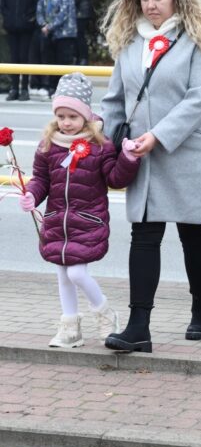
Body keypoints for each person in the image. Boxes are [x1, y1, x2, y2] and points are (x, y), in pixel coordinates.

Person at [100, 0, 201, 353]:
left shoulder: (200, 36)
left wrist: (159, 135)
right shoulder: (129, 39)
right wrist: (109, 140)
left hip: (188, 149)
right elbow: (116, 98)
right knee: (144, 235)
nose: (151, 5)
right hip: (143, 156)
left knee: (193, 233)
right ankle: (139, 325)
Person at [19, 73, 140, 348]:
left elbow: (114, 178)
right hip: (56, 221)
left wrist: (128, 158)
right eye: (61, 116)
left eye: (72, 117)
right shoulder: (48, 145)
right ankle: (70, 327)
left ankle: (106, 313)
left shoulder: (99, 145)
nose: (66, 122)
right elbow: (41, 180)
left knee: (76, 273)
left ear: (85, 116)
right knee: (62, 275)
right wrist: (31, 195)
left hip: (86, 221)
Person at [36, 0, 77, 96]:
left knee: (63, 62)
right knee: (50, 61)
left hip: (64, 34)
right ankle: (51, 87)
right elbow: (40, 9)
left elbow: (64, 13)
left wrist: (50, 26)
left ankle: (63, 90)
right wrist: (43, 24)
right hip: (48, 33)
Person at [1, 0, 37, 101]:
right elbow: (3, 6)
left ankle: (24, 89)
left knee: (24, 59)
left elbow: (35, 7)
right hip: (11, 28)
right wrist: (8, 20)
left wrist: (29, 20)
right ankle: (14, 88)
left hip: (26, 29)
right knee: (13, 59)